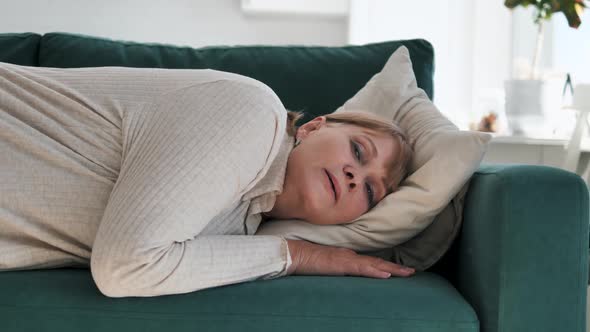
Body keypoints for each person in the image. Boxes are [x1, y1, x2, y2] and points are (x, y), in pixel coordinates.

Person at [0, 62, 415, 298]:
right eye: (359, 152)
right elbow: (125, 267)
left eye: (371, 191)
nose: (355, 176)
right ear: (314, 127)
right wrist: (299, 256)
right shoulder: (253, 116)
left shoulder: (243, 225)